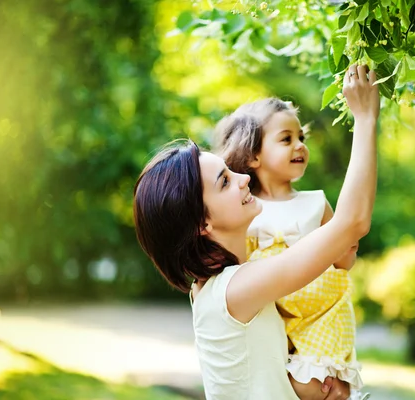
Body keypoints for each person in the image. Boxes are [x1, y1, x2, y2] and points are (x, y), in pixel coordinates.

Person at [133, 64, 380, 399]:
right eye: (224, 181)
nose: (243, 179)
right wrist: (365, 119)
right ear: (202, 224)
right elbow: (352, 223)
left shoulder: (228, 284)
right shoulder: (233, 290)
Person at [214, 95, 367, 397]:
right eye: (286, 139)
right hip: (275, 319)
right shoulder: (247, 208)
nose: (299, 145)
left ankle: (333, 375)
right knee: (296, 381)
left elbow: (342, 265)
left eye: (301, 137)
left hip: (319, 313)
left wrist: (347, 251)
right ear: (254, 156)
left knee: (316, 381)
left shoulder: (315, 202)